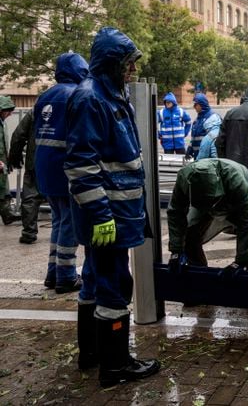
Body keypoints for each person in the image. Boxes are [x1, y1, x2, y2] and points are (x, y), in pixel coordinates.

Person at [65, 27, 159, 386]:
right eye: (127, 64)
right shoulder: (93, 99)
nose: (131, 71)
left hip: (115, 213)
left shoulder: (110, 96)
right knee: (115, 284)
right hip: (110, 216)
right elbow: (82, 166)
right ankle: (117, 366)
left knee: (95, 279)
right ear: (110, 64)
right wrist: (102, 215)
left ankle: (92, 355)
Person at [33, 53, 89, 292]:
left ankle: (53, 272)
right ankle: (66, 275)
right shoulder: (76, 95)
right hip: (65, 169)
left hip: (44, 168)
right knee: (70, 223)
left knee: (58, 220)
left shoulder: (45, 96)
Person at [166, 157, 248, 273]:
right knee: (190, 236)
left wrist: (241, 261)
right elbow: (176, 212)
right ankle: (200, 274)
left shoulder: (235, 180)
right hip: (206, 203)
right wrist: (176, 251)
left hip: (233, 201)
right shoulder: (185, 179)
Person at [8, 110, 45, 244]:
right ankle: (67, 233)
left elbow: (18, 136)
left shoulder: (36, 111)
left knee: (30, 198)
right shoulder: (73, 105)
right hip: (61, 162)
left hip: (35, 161)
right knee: (65, 197)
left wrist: (14, 158)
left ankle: (29, 233)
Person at [0, 96, 21, 226]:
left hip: (2, 162)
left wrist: (8, 160)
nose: (10, 113)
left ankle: (7, 215)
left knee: (3, 189)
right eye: (8, 110)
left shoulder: (2, 123)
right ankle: (8, 215)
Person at [186, 93, 217, 160]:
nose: (194, 107)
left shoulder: (212, 118)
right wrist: (190, 148)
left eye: (195, 105)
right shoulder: (197, 120)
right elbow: (195, 138)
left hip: (207, 159)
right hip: (198, 157)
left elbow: (214, 140)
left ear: (201, 104)